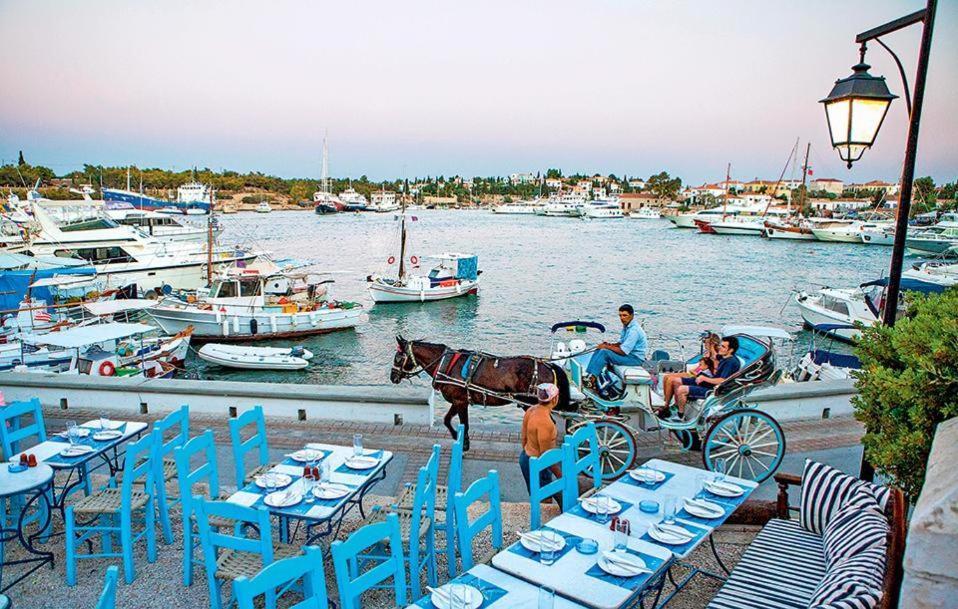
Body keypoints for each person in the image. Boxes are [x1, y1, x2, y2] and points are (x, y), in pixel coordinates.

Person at [667, 336, 741, 419]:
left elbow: (722, 380)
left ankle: (680, 416)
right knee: (676, 381)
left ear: (731, 350)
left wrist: (704, 378)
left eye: (723, 347)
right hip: (710, 383)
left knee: (681, 389)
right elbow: (715, 356)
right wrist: (711, 346)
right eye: (720, 345)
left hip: (715, 390)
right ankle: (676, 406)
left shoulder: (730, 362)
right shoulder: (724, 356)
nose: (720, 348)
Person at [584, 304, 648, 389]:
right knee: (599, 349)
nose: (622, 318)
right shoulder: (627, 327)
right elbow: (621, 343)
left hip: (635, 359)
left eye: (625, 315)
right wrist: (608, 345)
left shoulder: (634, 331)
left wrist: (607, 347)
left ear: (632, 315)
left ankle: (592, 380)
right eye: (620, 315)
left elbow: (623, 351)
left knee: (604, 353)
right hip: (629, 355)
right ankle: (589, 374)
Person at [519, 383, 563, 504]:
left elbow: (524, 438)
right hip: (538, 465)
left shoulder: (530, 410)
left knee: (536, 495)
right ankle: (539, 521)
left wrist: (529, 451)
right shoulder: (546, 423)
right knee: (545, 500)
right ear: (555, 398)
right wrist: (561, 476)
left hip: (526, 458)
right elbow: (546, 457)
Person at [660, 333, 720, 412]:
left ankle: (666, 406)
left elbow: (711, 371)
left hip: (701, 377)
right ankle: (666, 401)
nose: (704, 344)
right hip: (696, 373)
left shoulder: (716, 357)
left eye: (706, 342)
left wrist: (696, 372)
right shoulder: (707, 354)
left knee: (671, 379)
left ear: (712, 344)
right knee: (666, 377)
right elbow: (699, 368)